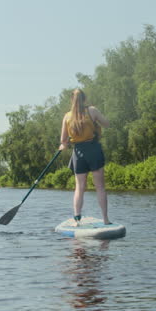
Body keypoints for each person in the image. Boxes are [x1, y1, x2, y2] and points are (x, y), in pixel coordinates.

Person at [60, 89, 111, 225]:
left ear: (72, 100)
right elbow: (107, 123)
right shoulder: (92, 110)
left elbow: (63, 142)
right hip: (93, 150)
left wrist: (63, 146)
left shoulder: (67, 116)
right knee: (100, 187)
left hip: (78, 153)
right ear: (84, 99)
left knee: (79, 187)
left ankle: (77, 220)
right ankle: (105, 220)